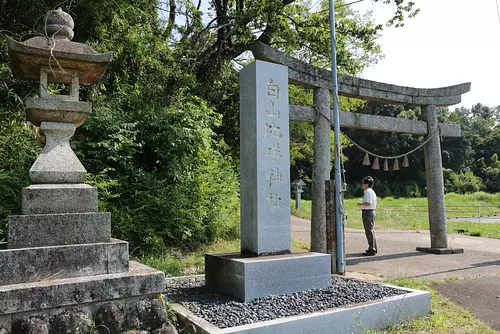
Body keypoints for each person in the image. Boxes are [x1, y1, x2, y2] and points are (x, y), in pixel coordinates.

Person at [357, 176, 377, 256]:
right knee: (370, 230)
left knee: (369, 231)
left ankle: (371, 249)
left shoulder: (368, 192)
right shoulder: (370, 191)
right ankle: (373, 248)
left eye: (363, 183)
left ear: (367, 184)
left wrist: (360, 204)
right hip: (370, 212)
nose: (362, 185)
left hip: (368, 212)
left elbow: (369, 203)